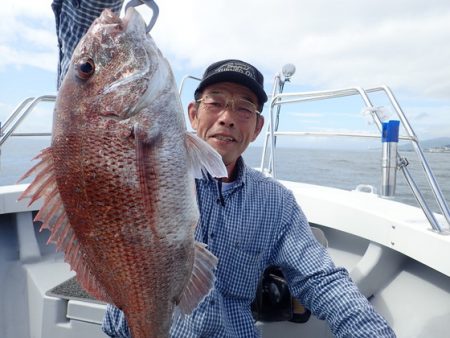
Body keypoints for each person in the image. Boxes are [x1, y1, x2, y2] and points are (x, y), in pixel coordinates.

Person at [52, 2, 396, 337]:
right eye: (215, 102)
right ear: (191, 113)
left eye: (244, 108)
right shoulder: (158, 149)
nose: (227, 117)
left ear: (258, 128)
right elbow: (78, 25)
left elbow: (319, 278)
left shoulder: (274, 203)